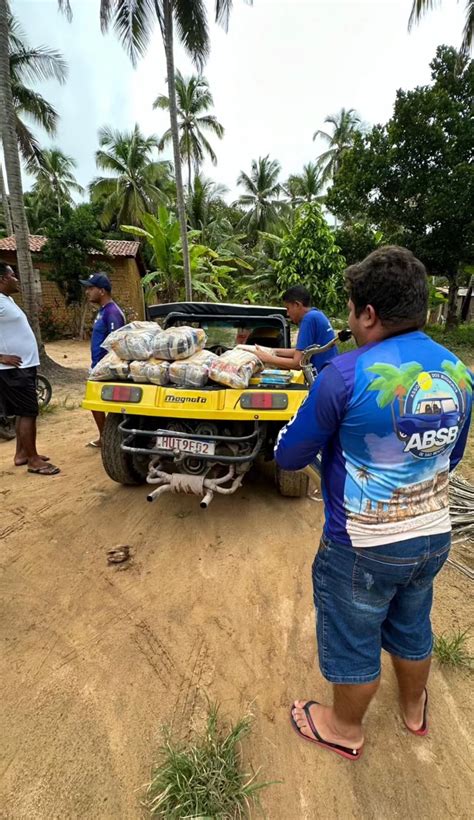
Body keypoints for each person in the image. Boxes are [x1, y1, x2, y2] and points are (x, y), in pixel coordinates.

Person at [275, 246, 472, 760]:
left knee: (354, 635)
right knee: (412, 623)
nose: (349, 321)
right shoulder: (459, 372)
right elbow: (449, 457)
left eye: (351, 309)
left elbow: (292, 456)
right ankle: (413, 711)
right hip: (433, 535)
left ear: (368, 313)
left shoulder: (343, 375)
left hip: (362, 546)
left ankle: (344, 728)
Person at [0, 263, 60, 475]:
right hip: (14, 370)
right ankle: (34, 461)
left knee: (21, 412)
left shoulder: (7, 300)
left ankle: (22, 454)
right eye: (12, 275)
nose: (16, 278)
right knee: (28, 412)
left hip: (24, 366)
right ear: (2, 279)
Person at [80, 273, 125, 448]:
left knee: (100, 401)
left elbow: (117, 342)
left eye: (90, 288)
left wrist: (108, 366)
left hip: (106, 367)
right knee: (95, 403)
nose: (87, 292)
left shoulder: (113, 312)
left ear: (102, 290)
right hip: (97, 365)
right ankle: (105, 437)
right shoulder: (103, 311)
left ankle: (109, 438)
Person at [255, 285, 338, 372]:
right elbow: (302, 352)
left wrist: (267, 358)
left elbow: (297, 363)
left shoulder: (308, 319)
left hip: (323, 376)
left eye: (288, 308)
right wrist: (271, 351)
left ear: (297, 304)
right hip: (331, 372)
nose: (287, 313)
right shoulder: (317, 314)